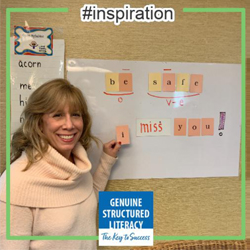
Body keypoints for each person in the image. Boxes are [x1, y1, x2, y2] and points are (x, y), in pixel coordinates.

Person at [0, 78, 121, 250]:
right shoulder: (15, 182)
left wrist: (106, 161)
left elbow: (86, 198)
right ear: (39, 122)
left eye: (75, 115)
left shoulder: (77, 164)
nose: (69, 125)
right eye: (57, 115)